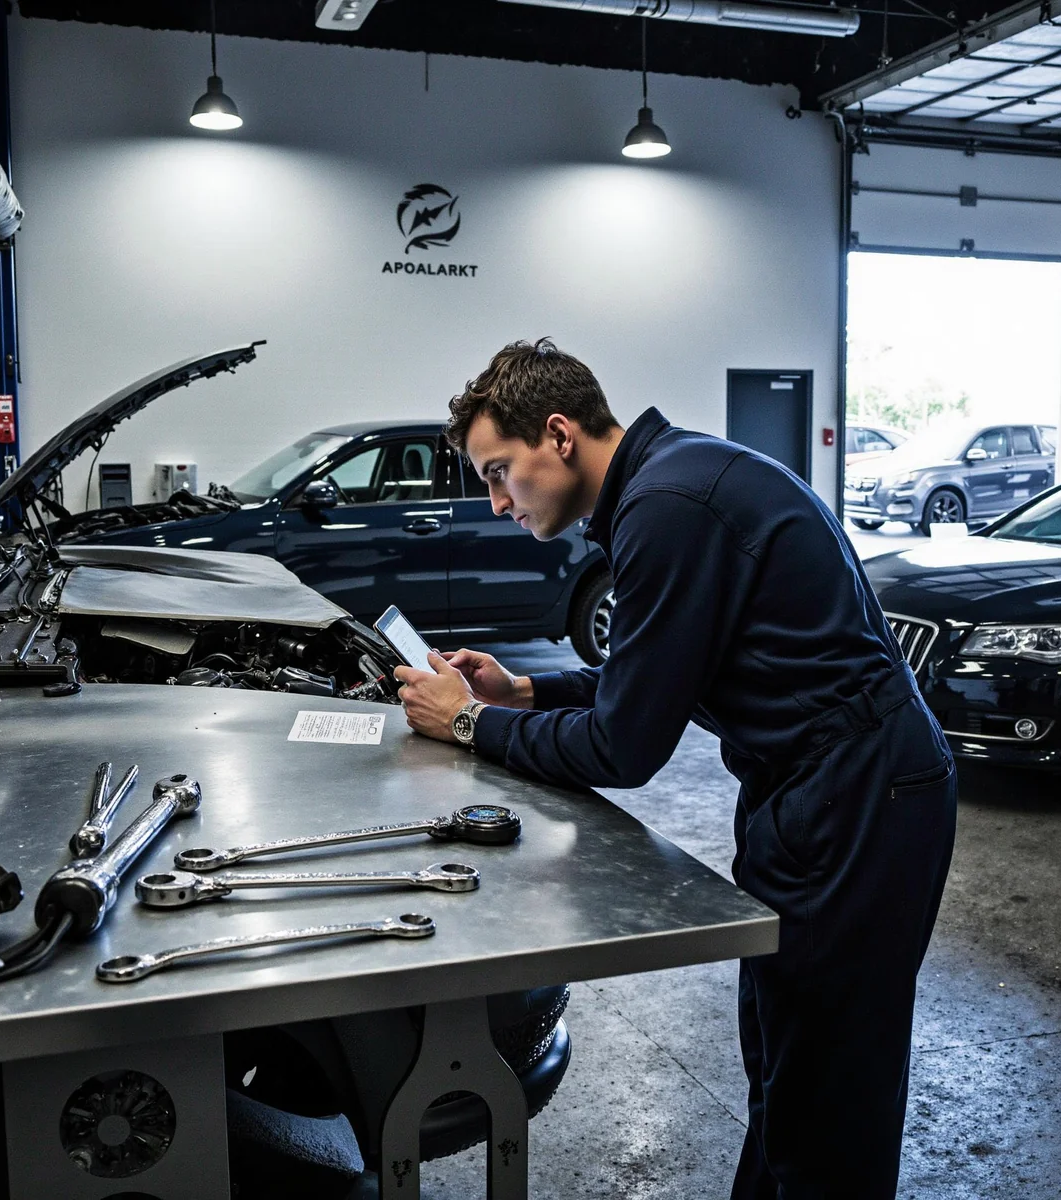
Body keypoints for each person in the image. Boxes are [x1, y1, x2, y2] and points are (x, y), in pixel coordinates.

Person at [394, 338, 957, 1199]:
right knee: (786, 1076)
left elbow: (625, 746)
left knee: (827, 1099)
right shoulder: (671, 481)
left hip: (857, 800)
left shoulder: (667, 506)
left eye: (500, 471)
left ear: (557, 435)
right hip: (828, 791)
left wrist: (469, 723)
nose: (499, 502)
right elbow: (657, 673)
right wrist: (524, 690)